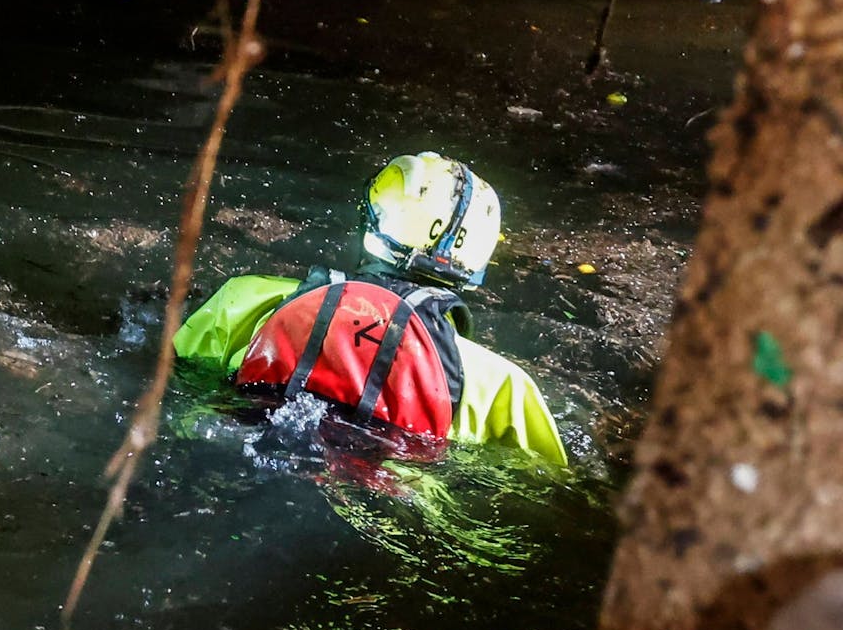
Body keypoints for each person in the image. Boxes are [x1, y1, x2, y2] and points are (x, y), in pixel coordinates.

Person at [173, 152, 567, 468]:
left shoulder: (245, 298)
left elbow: (178, 375)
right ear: (474, 264)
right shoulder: (503, 387)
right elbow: (547, 481)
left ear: (371, 224)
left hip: (229, 458)